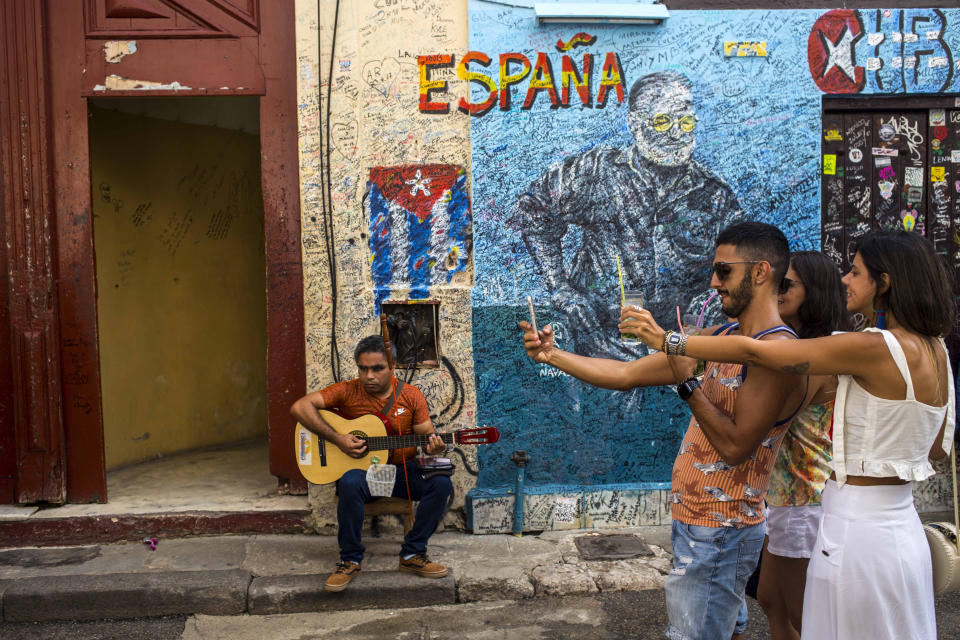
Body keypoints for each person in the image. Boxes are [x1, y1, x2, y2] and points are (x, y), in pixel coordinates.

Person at [628, 230, 955, 640]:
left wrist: (671, 341)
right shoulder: (936, 349)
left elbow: (758, 351)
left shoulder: (877, 347)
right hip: (904, 527)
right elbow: (939, 446)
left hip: (858, 531)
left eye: (855, 272)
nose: (845, 281)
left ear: (884, 283)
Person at [520, 221, 807, 640]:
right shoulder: (724, 336)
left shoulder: (777, 351)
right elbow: (626, 374)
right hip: (699, 524)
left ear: (761, 272)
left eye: (724, 271)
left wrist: (685, 383)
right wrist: (552, 356)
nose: (713, 282)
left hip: (722, 529)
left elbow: (735, 446)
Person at [512, 70, 743, 360]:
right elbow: (533, 211)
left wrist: (710, 302)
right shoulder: (597, 171)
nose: (676, 132)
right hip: (602, 345)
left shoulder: (715, 194)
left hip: (682, 348)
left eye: (685, 121)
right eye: (662, 121)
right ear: (634, 124)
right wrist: (560, 288)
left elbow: (739, 264)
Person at [290, 335, 452, 592]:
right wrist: (338, 438)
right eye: (363, 368)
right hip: (365, 476)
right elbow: (300, 407)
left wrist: (436, 447)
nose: (369, 376)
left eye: (377, 368)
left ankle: (412, 554)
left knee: (441, 482)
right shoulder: (347, 390)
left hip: (399, 473)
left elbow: (427, 437)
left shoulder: (411, 396)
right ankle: (350, 559)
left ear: (393, 365)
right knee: (350, 481)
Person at [756, 251, 851, 640]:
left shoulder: (818, 354)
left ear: (814, 292)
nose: (777, 290)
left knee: (802, 611)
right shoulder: (795, 345)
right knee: (769, 599)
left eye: (787, 284)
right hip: (786, 495)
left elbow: (772, 411)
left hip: (805, 497)